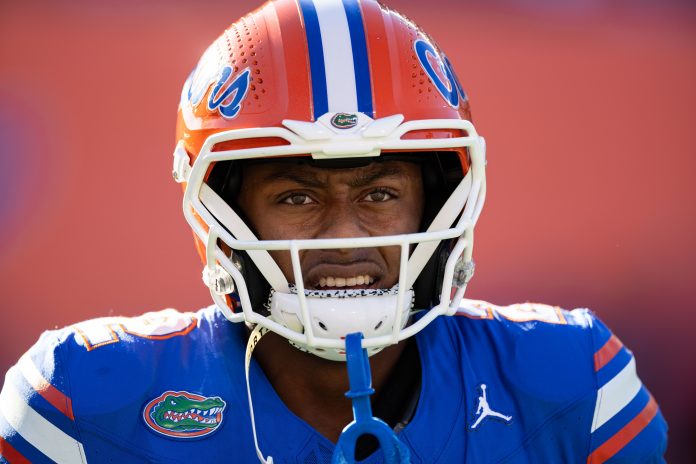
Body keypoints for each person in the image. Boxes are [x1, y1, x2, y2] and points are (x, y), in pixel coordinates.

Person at [0, 0, 667, 462]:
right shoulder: (84, 403)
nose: (343, 236)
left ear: (437, 202)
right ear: (225, 213)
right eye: (296, 196)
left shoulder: (572, 388)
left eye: (379, 193)